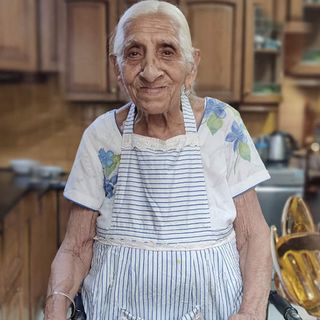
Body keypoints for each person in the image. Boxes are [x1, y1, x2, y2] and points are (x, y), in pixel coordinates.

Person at [45, 1, 272, 319]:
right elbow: (75, 247)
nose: (150, 71)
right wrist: (55, 309)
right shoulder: (101, 137)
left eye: (167, 51)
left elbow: (253, 236)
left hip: (215, 310)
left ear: (192, 65)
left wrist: (251, 312)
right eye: (134, 53)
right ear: (116, 67)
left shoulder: (223, 125)